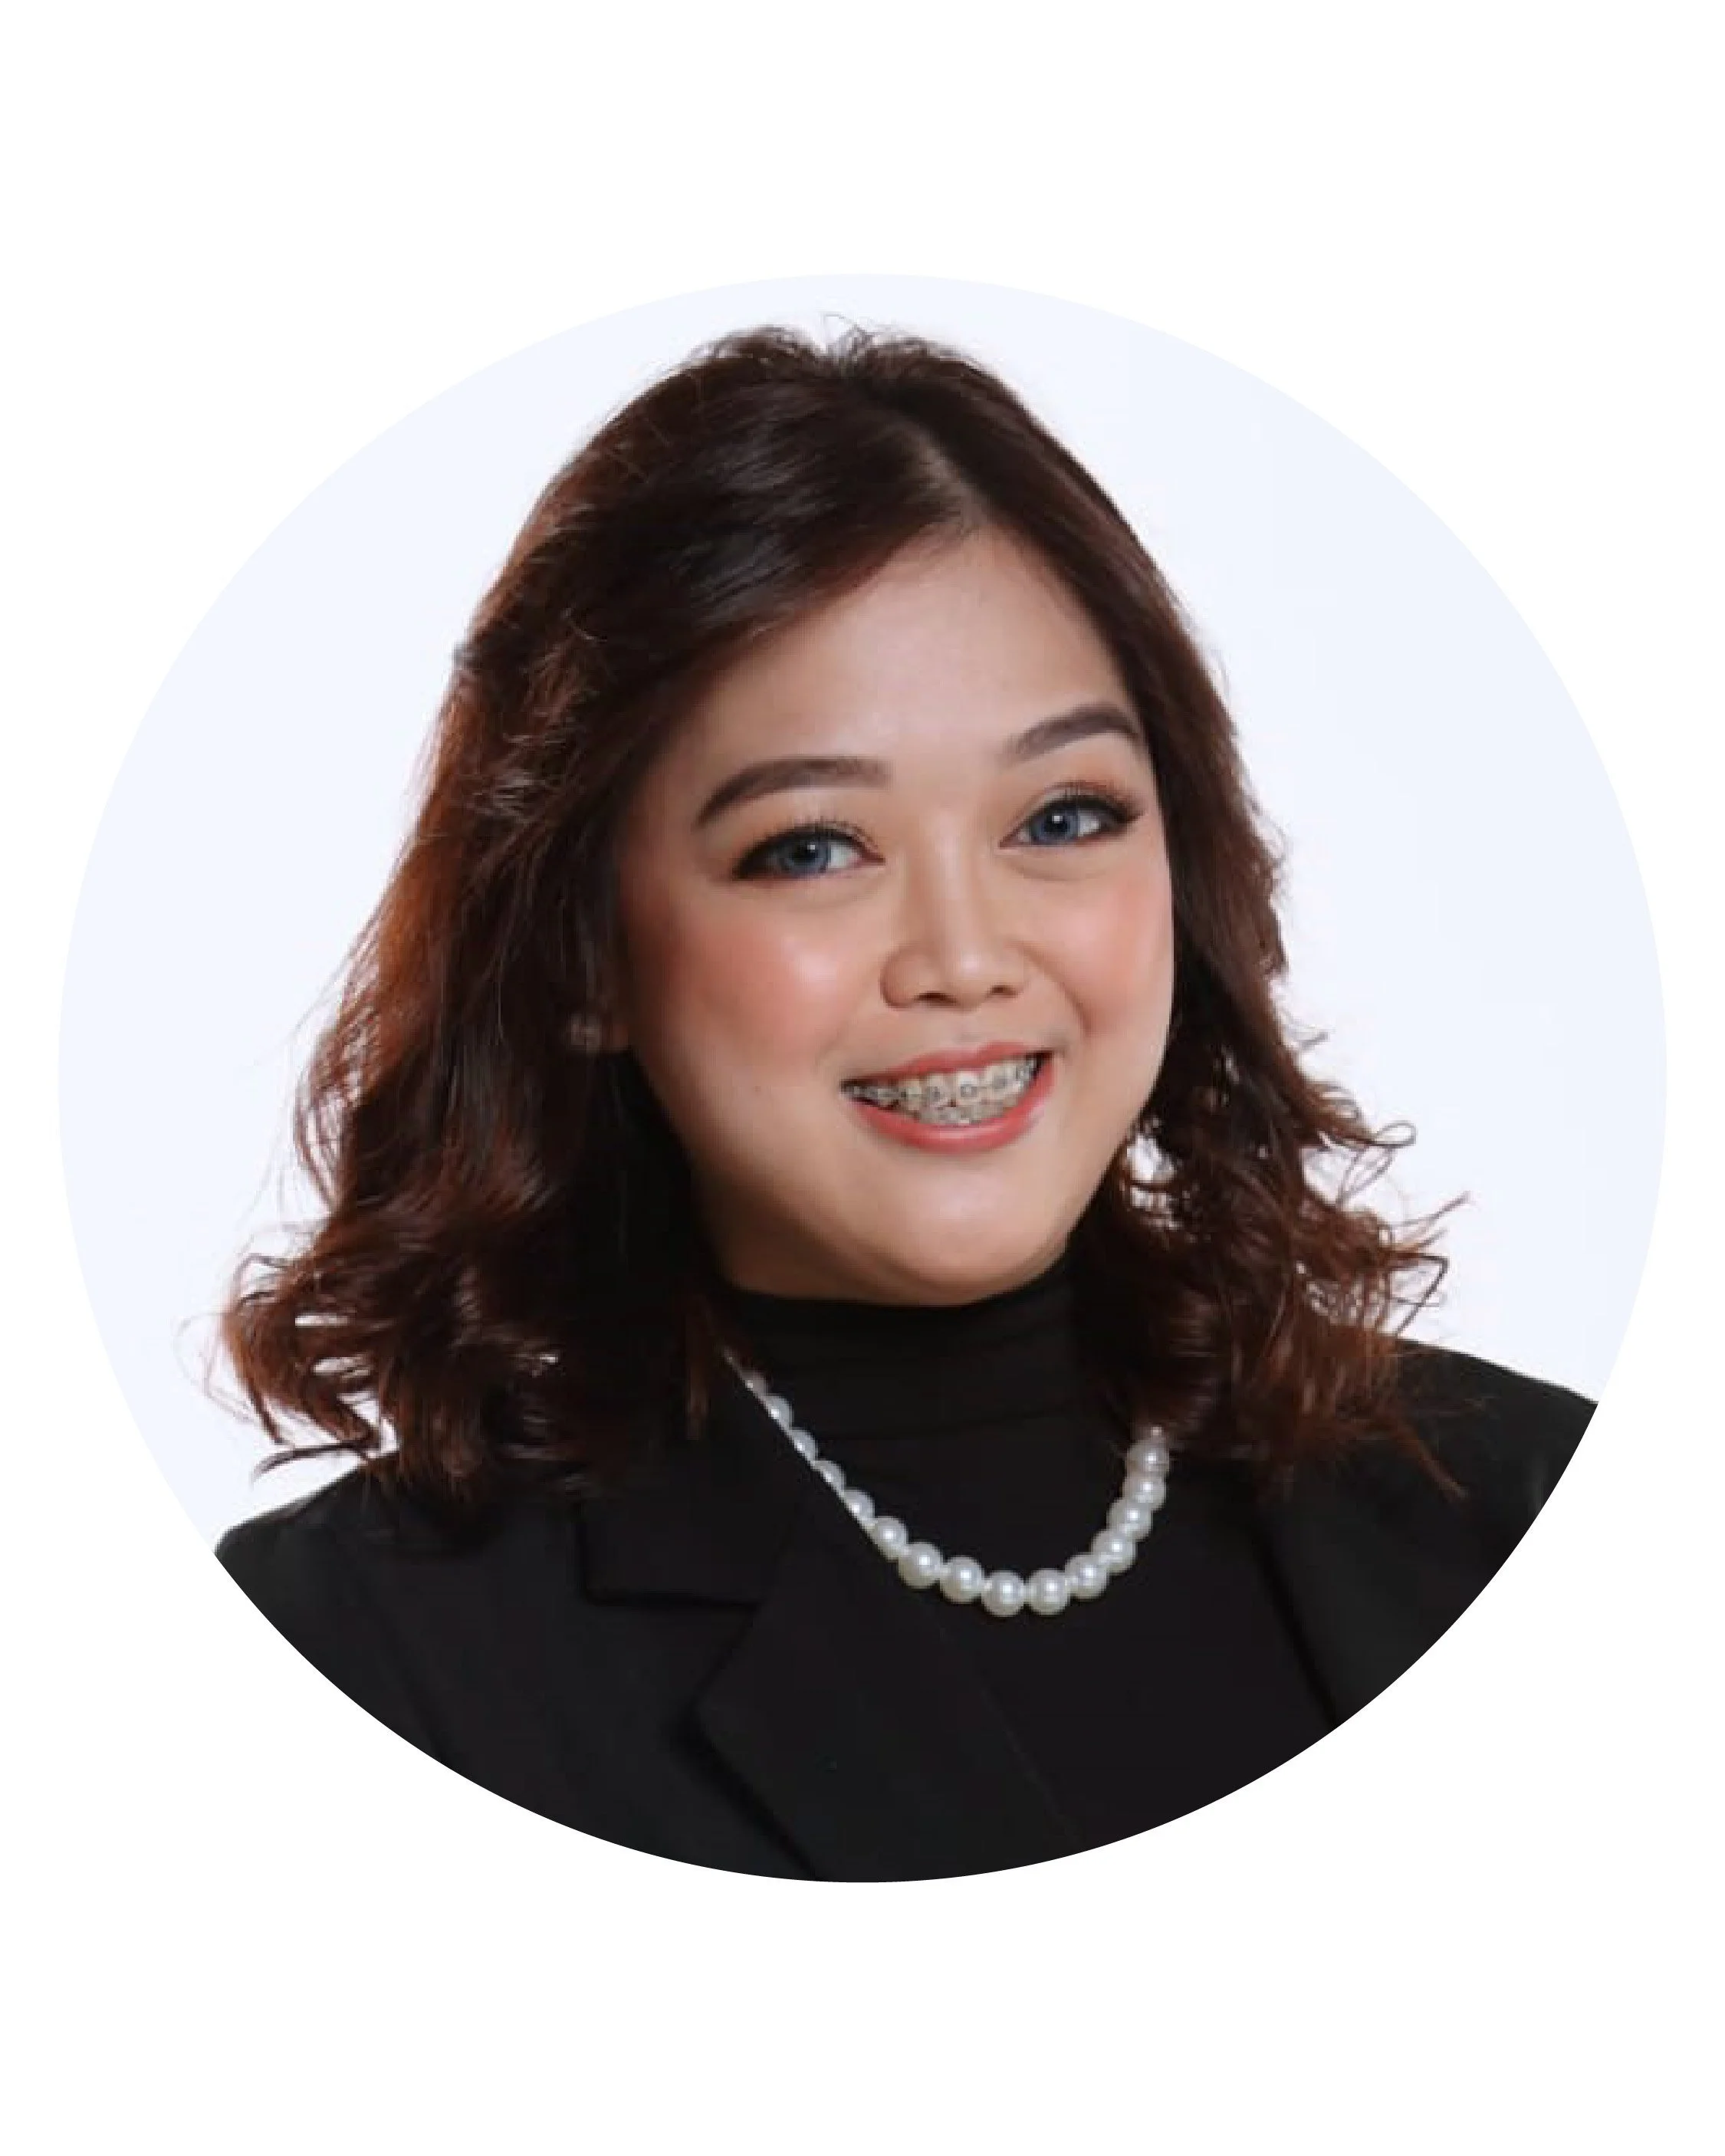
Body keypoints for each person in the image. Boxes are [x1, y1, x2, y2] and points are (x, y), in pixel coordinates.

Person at [214, 324, 1592, 1882]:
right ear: (585, 957)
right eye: (812, 845)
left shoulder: (1535, 1504)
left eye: (1062, 815)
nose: (962, 956)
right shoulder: (354, 1669)